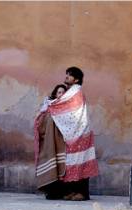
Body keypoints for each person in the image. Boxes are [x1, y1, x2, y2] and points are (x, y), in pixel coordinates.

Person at [34, 67, 99, 201]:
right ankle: (72, 192)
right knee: (72, 164)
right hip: (74, 133)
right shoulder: (71, 91)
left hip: (79, 133)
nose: (67, 77)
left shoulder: (75, 91)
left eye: (69, 76)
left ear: (76, 79)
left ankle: (82, 194)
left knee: (79, 162)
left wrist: (50, 104)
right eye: (67, 74)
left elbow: (64, 106)